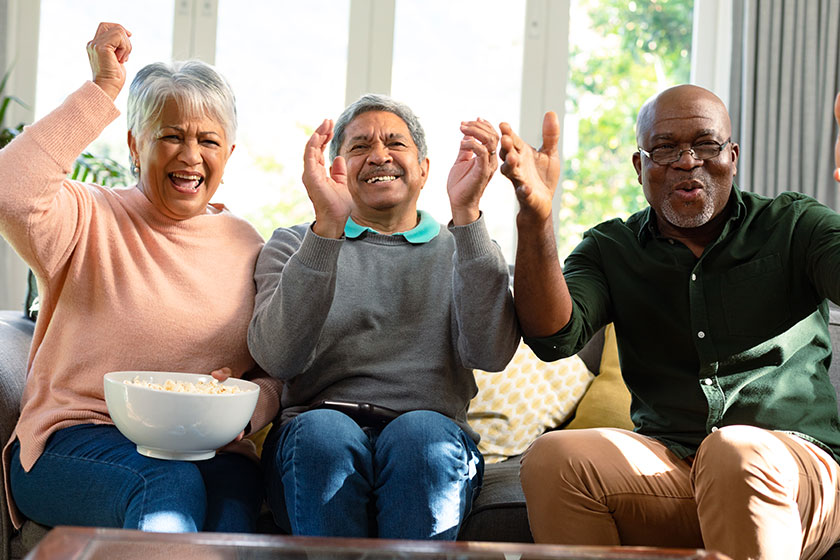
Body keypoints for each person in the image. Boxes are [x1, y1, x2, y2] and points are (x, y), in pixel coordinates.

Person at [499, 84, 840, 560]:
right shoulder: (610, 248)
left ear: (732, 156)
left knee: (733, 452)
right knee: (553, 459)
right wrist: (536, 219)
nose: (687, 161)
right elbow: (554, 337)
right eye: (664, 148)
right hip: (673, 465)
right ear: (640, 166)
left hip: (792, 468)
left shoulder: (794, 225)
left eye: (706, 144)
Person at [0, 23, 280, 533]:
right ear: (134, 144)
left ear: (229, 155)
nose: (190, 154)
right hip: (76, 438)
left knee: (233, 503)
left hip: (208, 450)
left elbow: (276, 363)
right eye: (170, 136)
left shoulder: (249, 246)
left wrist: (255, 401)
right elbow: (9, 190)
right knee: (165, 485)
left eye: (208, 140)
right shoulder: (87, 217)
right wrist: (103, 88)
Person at [248, 94, 520, 539]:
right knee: (323, 435)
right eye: (359, 147)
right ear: (336, 167)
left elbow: (490, 353)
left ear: (425, 169)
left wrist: (467, 216)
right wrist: (326, 232)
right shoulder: (295, 244)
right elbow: (278, 358)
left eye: (395, 143)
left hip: (431, 438)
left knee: (420, 439)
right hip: (315, 435)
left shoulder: (463, 248)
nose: (379, 155)